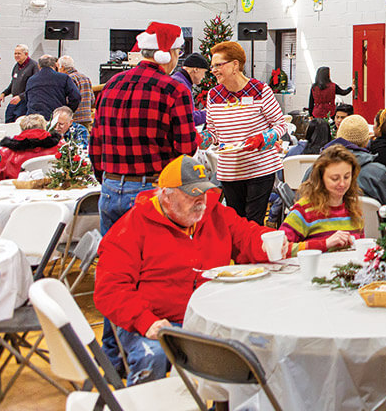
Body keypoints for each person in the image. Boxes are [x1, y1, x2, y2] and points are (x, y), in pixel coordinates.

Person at [94, 154, 287, 385]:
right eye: (192, 194)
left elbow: (247, 236)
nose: (201, 201)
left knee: (263, 348)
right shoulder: (130, 228)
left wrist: (270, 241)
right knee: (152, 356)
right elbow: (110, 289)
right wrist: (146, 321)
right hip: (156, 321)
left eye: (204, 192)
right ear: (166, 195)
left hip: (212, 317)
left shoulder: (214, 214)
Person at [89, 21, 199, 371]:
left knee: (114, 275)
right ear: (167, 55)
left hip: (111, 187)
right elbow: (184, 151)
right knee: (148, 278)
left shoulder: (111, 85)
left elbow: (96, 143)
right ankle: (144, 358)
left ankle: (112, 353)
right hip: (151, 191)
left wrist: (108, 179)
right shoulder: (173, 90)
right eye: (178, 53)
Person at [203, 41, 287, 224]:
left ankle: (254, 253)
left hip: (259, 168)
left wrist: (262, 139)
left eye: (218, 65)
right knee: (235, 223)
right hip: (229, 171)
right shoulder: (213, 96)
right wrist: (200, 139)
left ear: (235, 65)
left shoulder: (260, 90)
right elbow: (213, 132)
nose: (214, 70)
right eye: (212, 66)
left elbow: (281, 125)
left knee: (253, 223)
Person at [322, 114, 386, 207]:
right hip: (369, 222)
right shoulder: (376, 174)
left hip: (326, 222)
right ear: (366, 141)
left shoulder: (316, 170)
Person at [282, 145, 363, 253]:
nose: (342, 183)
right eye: (335, 179)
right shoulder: (304, 210)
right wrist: (324, 244)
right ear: (321, 178)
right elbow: (280, 249)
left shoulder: (354, 209)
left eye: (347, 177)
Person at [0, 114, 59, 180]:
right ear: (44, 127)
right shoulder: (60, 147)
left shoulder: (6, 152)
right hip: (53, 186)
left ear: (22, 128)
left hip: (17, 188)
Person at [24, 55, 80, 120]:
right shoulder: (63, 78)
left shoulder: (31, 80)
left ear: (39, 66)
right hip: (55, 117)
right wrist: (68, 111)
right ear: (55, 65)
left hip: (34, 118)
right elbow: (76, 96)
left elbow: (27, 99)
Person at [0, 44, 38, 122]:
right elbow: (13, 83)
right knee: (8, 118)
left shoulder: (33, 66)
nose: (16, 55)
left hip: (25, 101)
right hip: (15, 99)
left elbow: (35, 87)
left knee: (18, 122)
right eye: (15, 53)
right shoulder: (16, 66)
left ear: (26, 54)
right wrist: (4, 93)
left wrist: (21, 97)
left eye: (19, 53)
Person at [170, 52, 210, 126]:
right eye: (204, 72)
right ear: (196, 69)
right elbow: (188, 118)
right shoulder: (182, 86)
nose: (204, 77)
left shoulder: (178, 80)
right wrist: (208, 114)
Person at [58, 56, 94, 128]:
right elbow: (92, 99)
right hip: (86, 117)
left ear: (62, 67)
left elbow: (70, 98)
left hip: (75, 117)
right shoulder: (85, 77)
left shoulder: (68, 79)